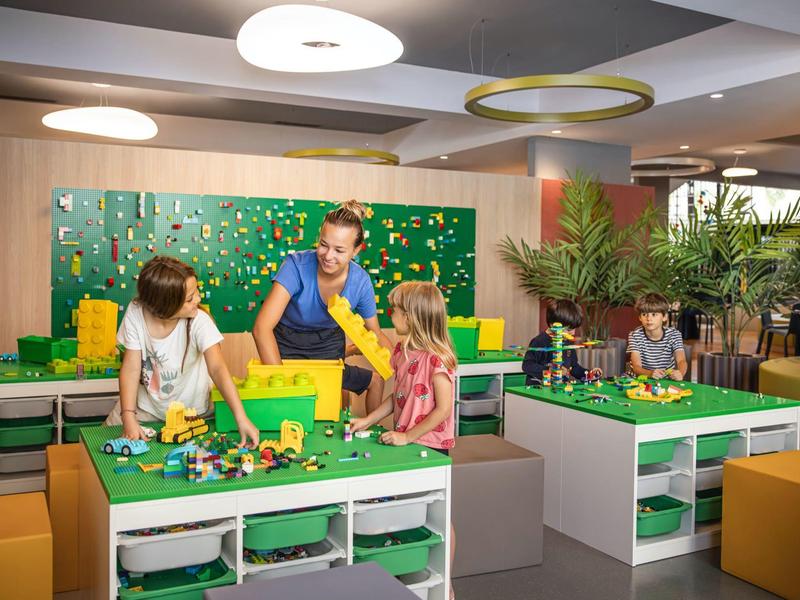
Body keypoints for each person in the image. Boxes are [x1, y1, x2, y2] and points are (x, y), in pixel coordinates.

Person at [349, 281, 456, 599]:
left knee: (439, 513)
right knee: (409, 506)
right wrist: (369, 420)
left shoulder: (437, 358)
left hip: (430, 444)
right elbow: (397, 394)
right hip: (405, 441)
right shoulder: (401, 351)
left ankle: (445, 580)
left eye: (395, 308)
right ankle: (407, 568)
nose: (389, 312)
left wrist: (409, 436)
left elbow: (443, 409)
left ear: (413, 317)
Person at [253, 199, 391, 413]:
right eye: (324, 245)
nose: (328, 256)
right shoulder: (295, 266)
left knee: (329, 408)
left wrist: (406, 364)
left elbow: (375, 333)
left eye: (339, 250)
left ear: (356, 251)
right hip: (286, 343)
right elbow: (262, 328)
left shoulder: (360, 282)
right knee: (292, 410)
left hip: (328, 343)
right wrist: (281, 385)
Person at [106, 256, 259, 447]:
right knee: (101, 442)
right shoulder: (136, 312)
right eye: (190, 298)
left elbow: (218, 369)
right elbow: (130, 367)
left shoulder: (199, 321)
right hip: (144, 407)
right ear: (165, 306)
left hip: (192, 413)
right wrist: (128, 416)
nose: (199, 299)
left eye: (196, 292)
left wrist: (241, 417)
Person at [522, 299, 588, 385]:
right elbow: (527, 366)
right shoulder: (539, 341)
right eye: (569, 329)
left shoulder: (567, 342)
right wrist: (549, 370)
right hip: (539, 391)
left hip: (560, 390)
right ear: (553, 325)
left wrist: (588, 374)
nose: (573, 333)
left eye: (574, 329)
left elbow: (574, 368)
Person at [628, 293, 687, 380]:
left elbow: (681, 360)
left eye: (654, 314)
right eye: (644, 314)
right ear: (640, 317)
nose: (649, 319)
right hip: (641, 380)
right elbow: (636, 367)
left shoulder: (674, 335)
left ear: (664, 317)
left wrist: (680, 373)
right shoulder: (635, 335)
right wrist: (650, 373)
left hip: (666, 380)